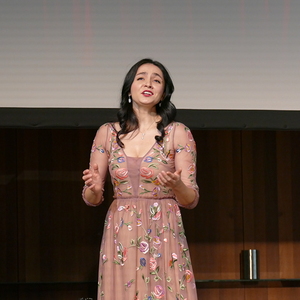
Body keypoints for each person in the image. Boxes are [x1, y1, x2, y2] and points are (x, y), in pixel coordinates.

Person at [82, 58, 199, 300]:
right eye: (141, 77)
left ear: (164, 92)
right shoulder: (107, 133)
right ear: (129, 88)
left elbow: (191, 199)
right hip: (121, 230)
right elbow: (92, 198)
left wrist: (177, 186)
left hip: (163, 228)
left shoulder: (178, 132)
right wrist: (92, 187)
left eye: (156, 80)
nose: (148, 83)